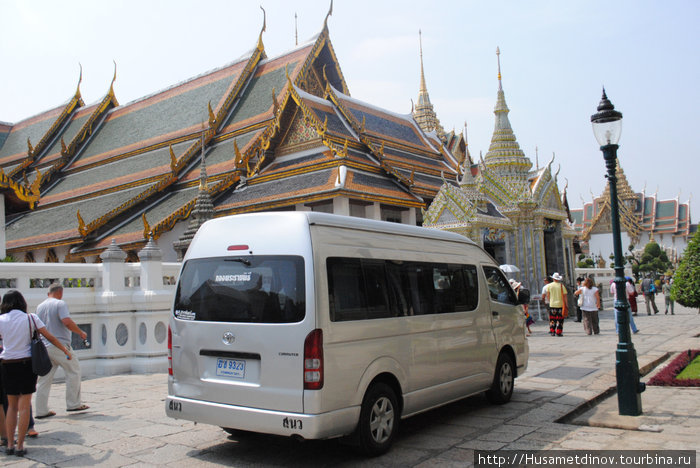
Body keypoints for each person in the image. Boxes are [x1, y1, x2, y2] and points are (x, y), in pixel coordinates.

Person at [0, 290, 71, 457]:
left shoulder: (1, 320)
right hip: (26, 364)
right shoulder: (31, 318)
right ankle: (19, 446)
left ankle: (9, 444)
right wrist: (64, 350)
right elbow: (50, 337)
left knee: (11, 406)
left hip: (7, 365)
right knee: (24, 406)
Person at [35, 284, 89, 419]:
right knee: (73, 370)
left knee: (44, 379)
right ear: (60, 292)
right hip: (60, 345)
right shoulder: (60, 303)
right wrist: (80, 332)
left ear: (49, 293)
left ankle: (41, 410)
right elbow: (66, 321)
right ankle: (73, 403)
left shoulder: (40, 306)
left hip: (44, 346)